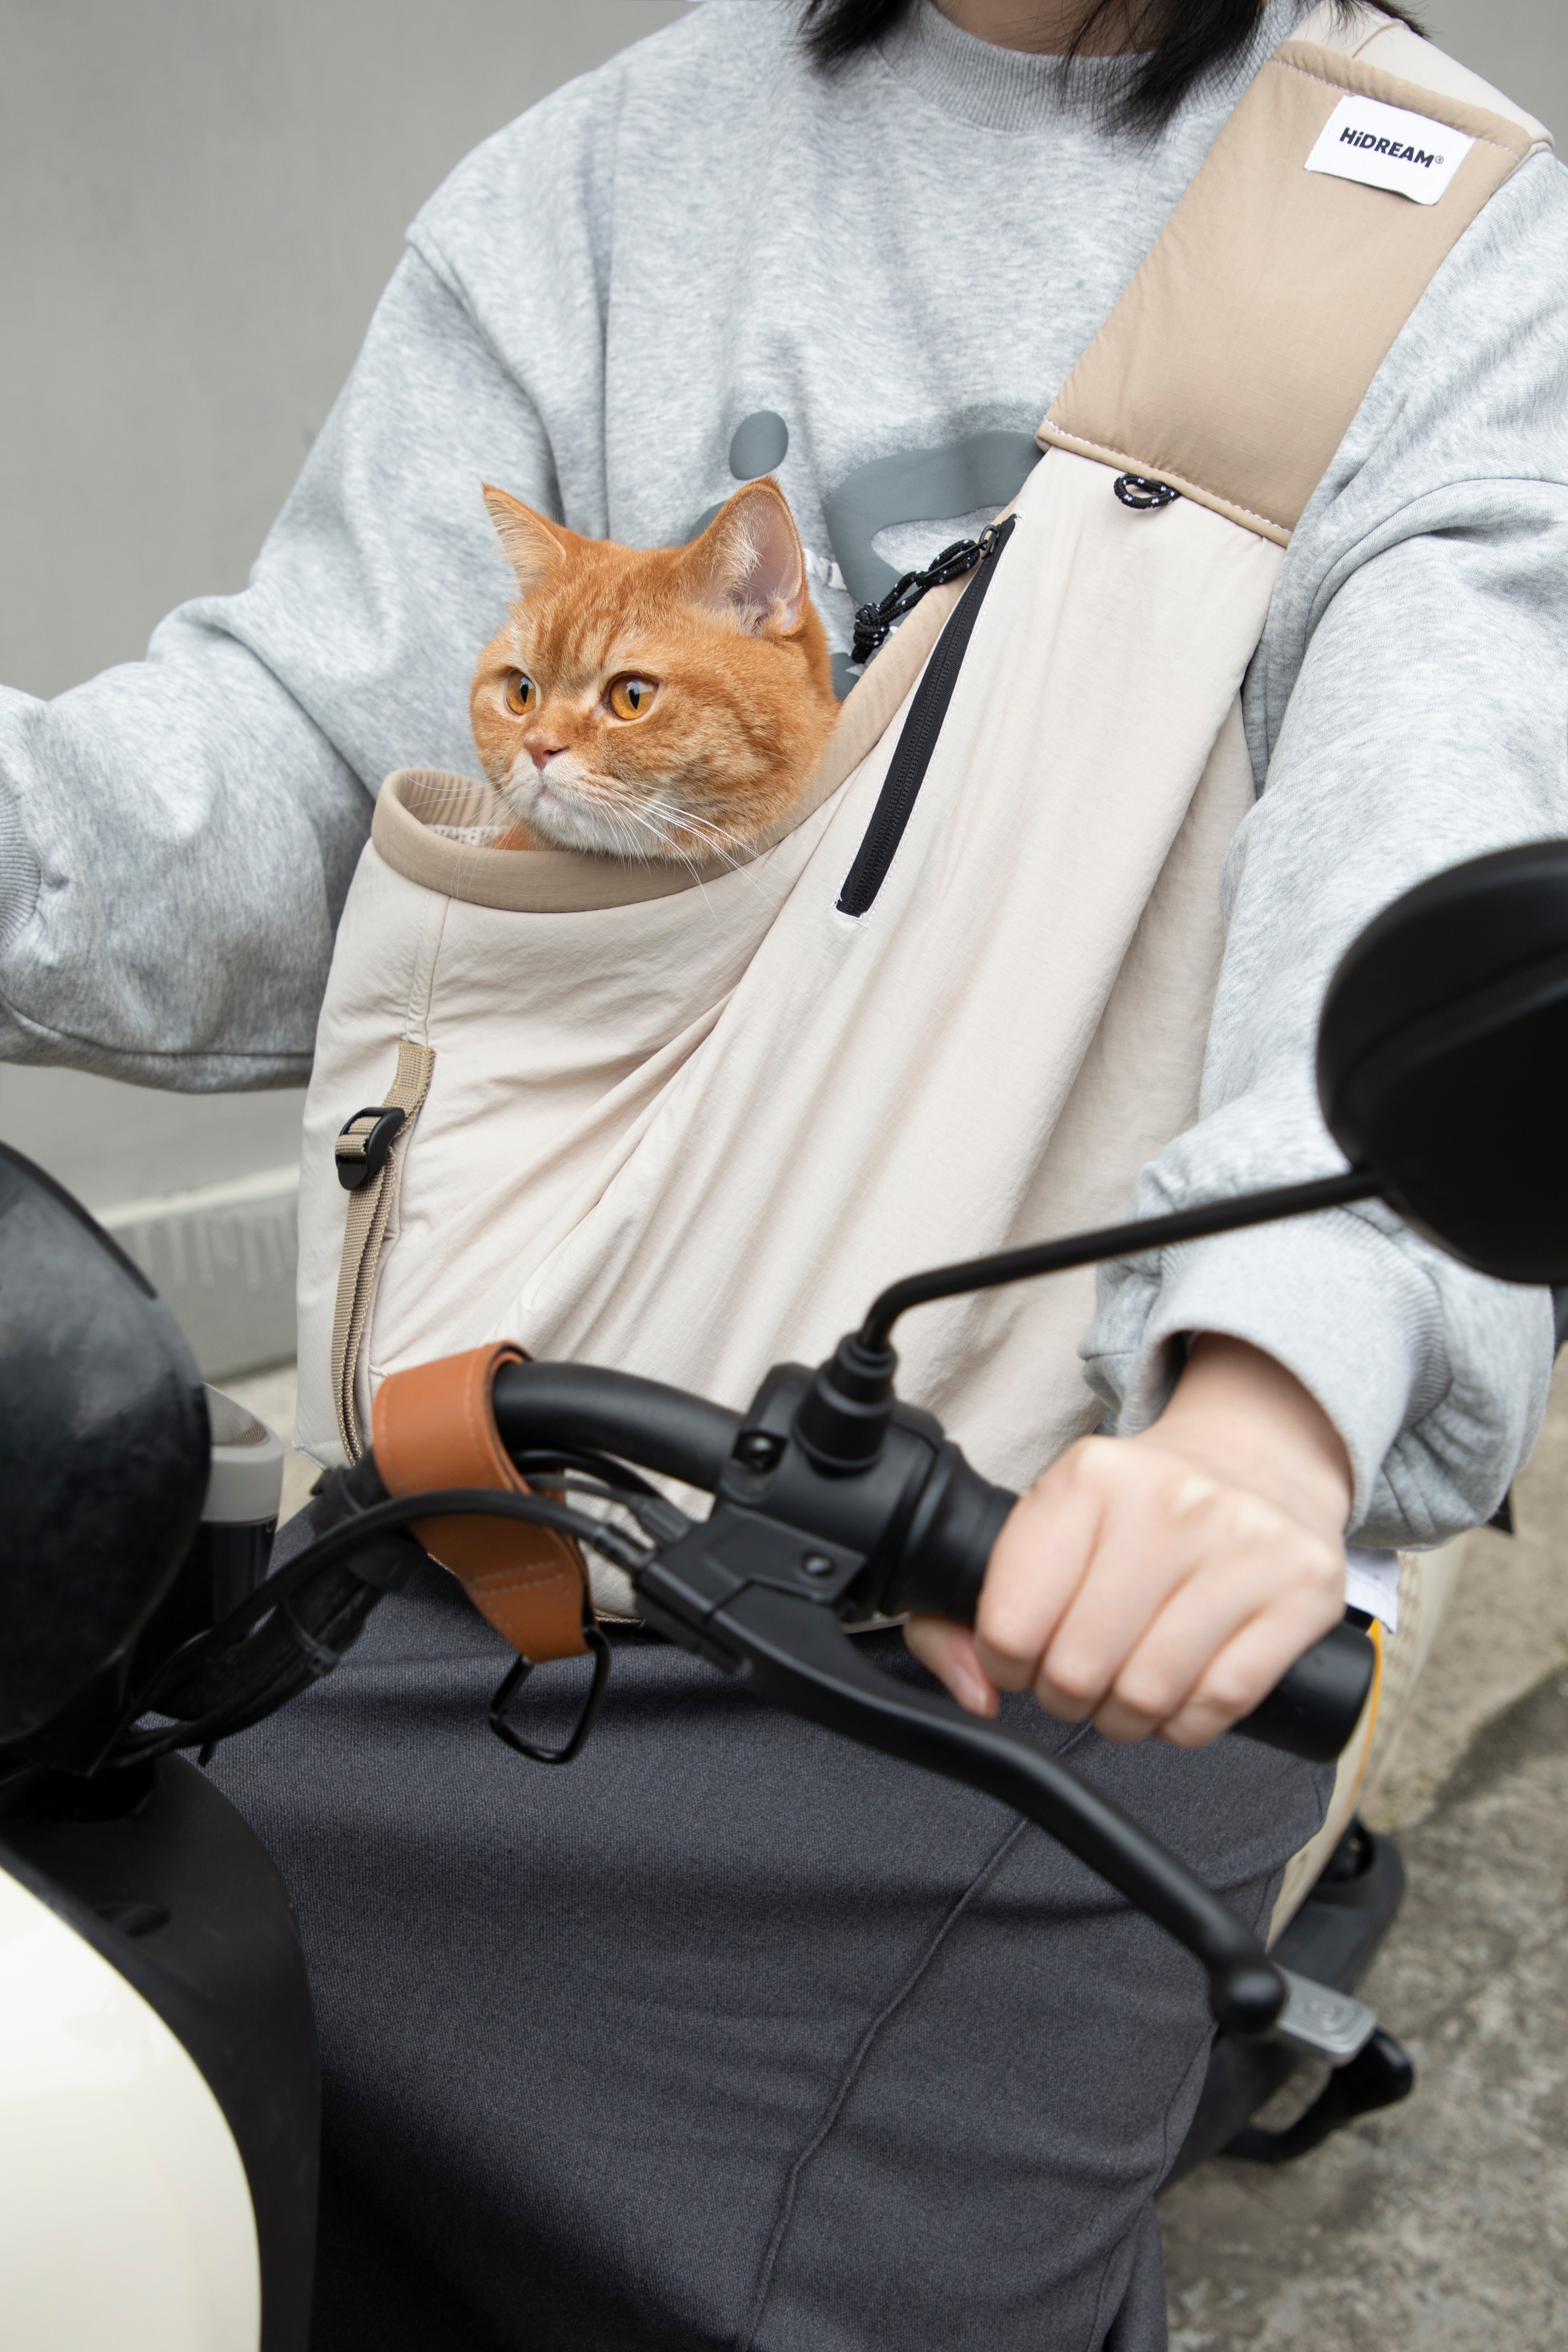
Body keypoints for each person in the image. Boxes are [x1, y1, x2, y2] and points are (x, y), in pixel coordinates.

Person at [2, 1, 1564, 2343]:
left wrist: (1267, 1399)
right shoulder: (602, 180)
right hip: (485, 1519)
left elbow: (1444, 809)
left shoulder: (1424, 216)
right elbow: (308, 749)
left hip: (1035, 1597)